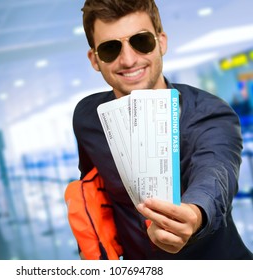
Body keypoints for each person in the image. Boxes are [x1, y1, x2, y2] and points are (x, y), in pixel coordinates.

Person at [72, 0, 253, 259]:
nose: (128, 59)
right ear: (94, 59)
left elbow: (216, 173)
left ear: (161, 42)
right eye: (110, 48)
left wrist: (194, 213)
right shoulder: (87, 117)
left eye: (141, 41)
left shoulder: (210, 113)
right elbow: (93, 181)